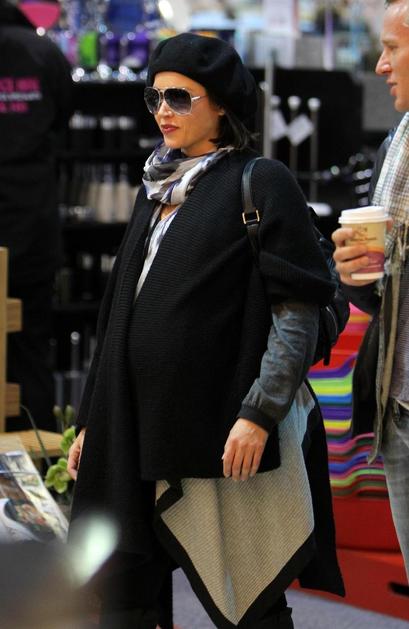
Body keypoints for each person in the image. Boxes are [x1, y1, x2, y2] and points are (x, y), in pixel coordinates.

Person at [67, 33, 344, 629]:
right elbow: (117, 314)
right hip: (134, 430)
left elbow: (297, 310)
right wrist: (93, 418)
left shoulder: (259, 180)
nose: (162, 110)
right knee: (124, 598)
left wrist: (260, 413)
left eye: (179, 97)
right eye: (154, 97)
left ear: (220, 104)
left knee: (248, 600)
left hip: (216, 432)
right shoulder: (155, 189)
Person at [332, 0, 409, 581]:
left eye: (392, 48)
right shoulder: (397, 145)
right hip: (398, 404)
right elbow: (379, 299)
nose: (381, 65)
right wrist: (355, 272)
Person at [0, 0, 73, 431]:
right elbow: (63, 119)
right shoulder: (44, 53)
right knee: (30, 351)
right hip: (32, 225)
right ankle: (39, 457)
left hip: (25, 220)